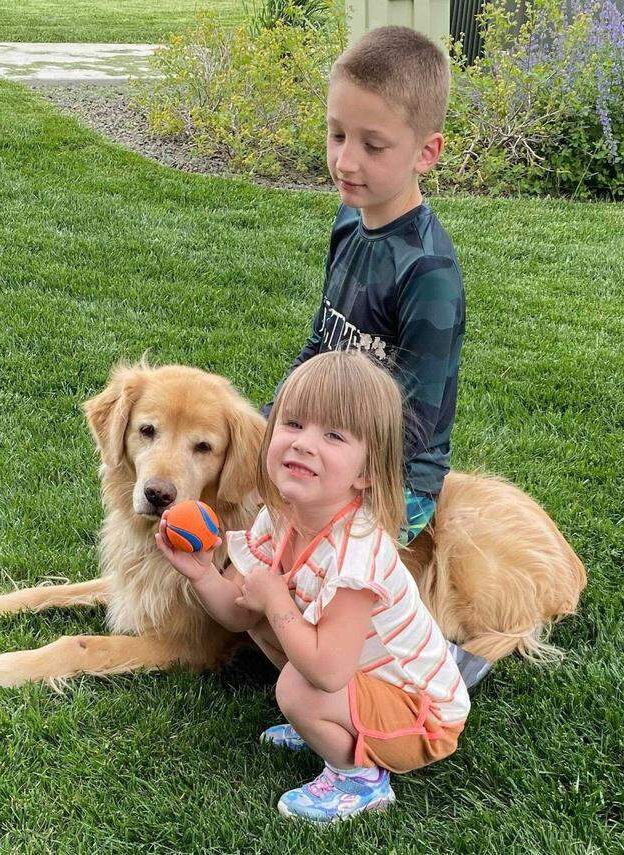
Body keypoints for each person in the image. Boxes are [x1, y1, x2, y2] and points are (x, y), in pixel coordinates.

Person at [156, 350, 469, 823]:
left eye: (334, 435)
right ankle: (333, 721)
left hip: (422, 715)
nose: (303, 443)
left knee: (299, 687)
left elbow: (324, 671)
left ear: (366, 472)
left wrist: (277, 598)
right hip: (359, 681)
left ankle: (358, 780)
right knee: (263, 623)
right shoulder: (279, 517)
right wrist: (201, 572)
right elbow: (240, 613)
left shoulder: (356, 555)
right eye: (293, 423)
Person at [261, 25, 465, 550]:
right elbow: (319, 346)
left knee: (319, 577)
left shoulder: (428, 272)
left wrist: (328, 482)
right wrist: (265, 427)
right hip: (325, 445)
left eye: (372, 145)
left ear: (427, 152)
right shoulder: (349, 220)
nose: (346, 162)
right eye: (337, 135)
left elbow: (414, 425)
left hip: (394, 477)